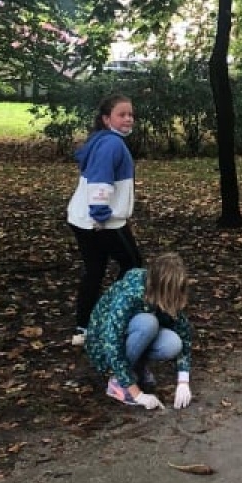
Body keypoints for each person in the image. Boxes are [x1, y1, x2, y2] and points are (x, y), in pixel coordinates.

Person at [67, 94, 143, 346]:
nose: (128, 119)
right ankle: (111, 315)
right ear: (106, 118)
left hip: (82, 218)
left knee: (95, 271)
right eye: (122, 114)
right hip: (101, 220)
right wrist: (100, 216)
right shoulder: (111, 144)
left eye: (130, 114)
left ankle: (83, 328)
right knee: (133, 264)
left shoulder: (102, 140)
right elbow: (100, 181)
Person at [85, 252, 193, 411]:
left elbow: (184, 333)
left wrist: (183, 381)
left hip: (133, 335)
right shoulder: (131, 294)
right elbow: (111, 341)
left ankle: (136, 367)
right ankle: (118, 383)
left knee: (173, 343)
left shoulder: (166, 297)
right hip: (103, 346)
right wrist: (137, 394)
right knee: (148, 323)